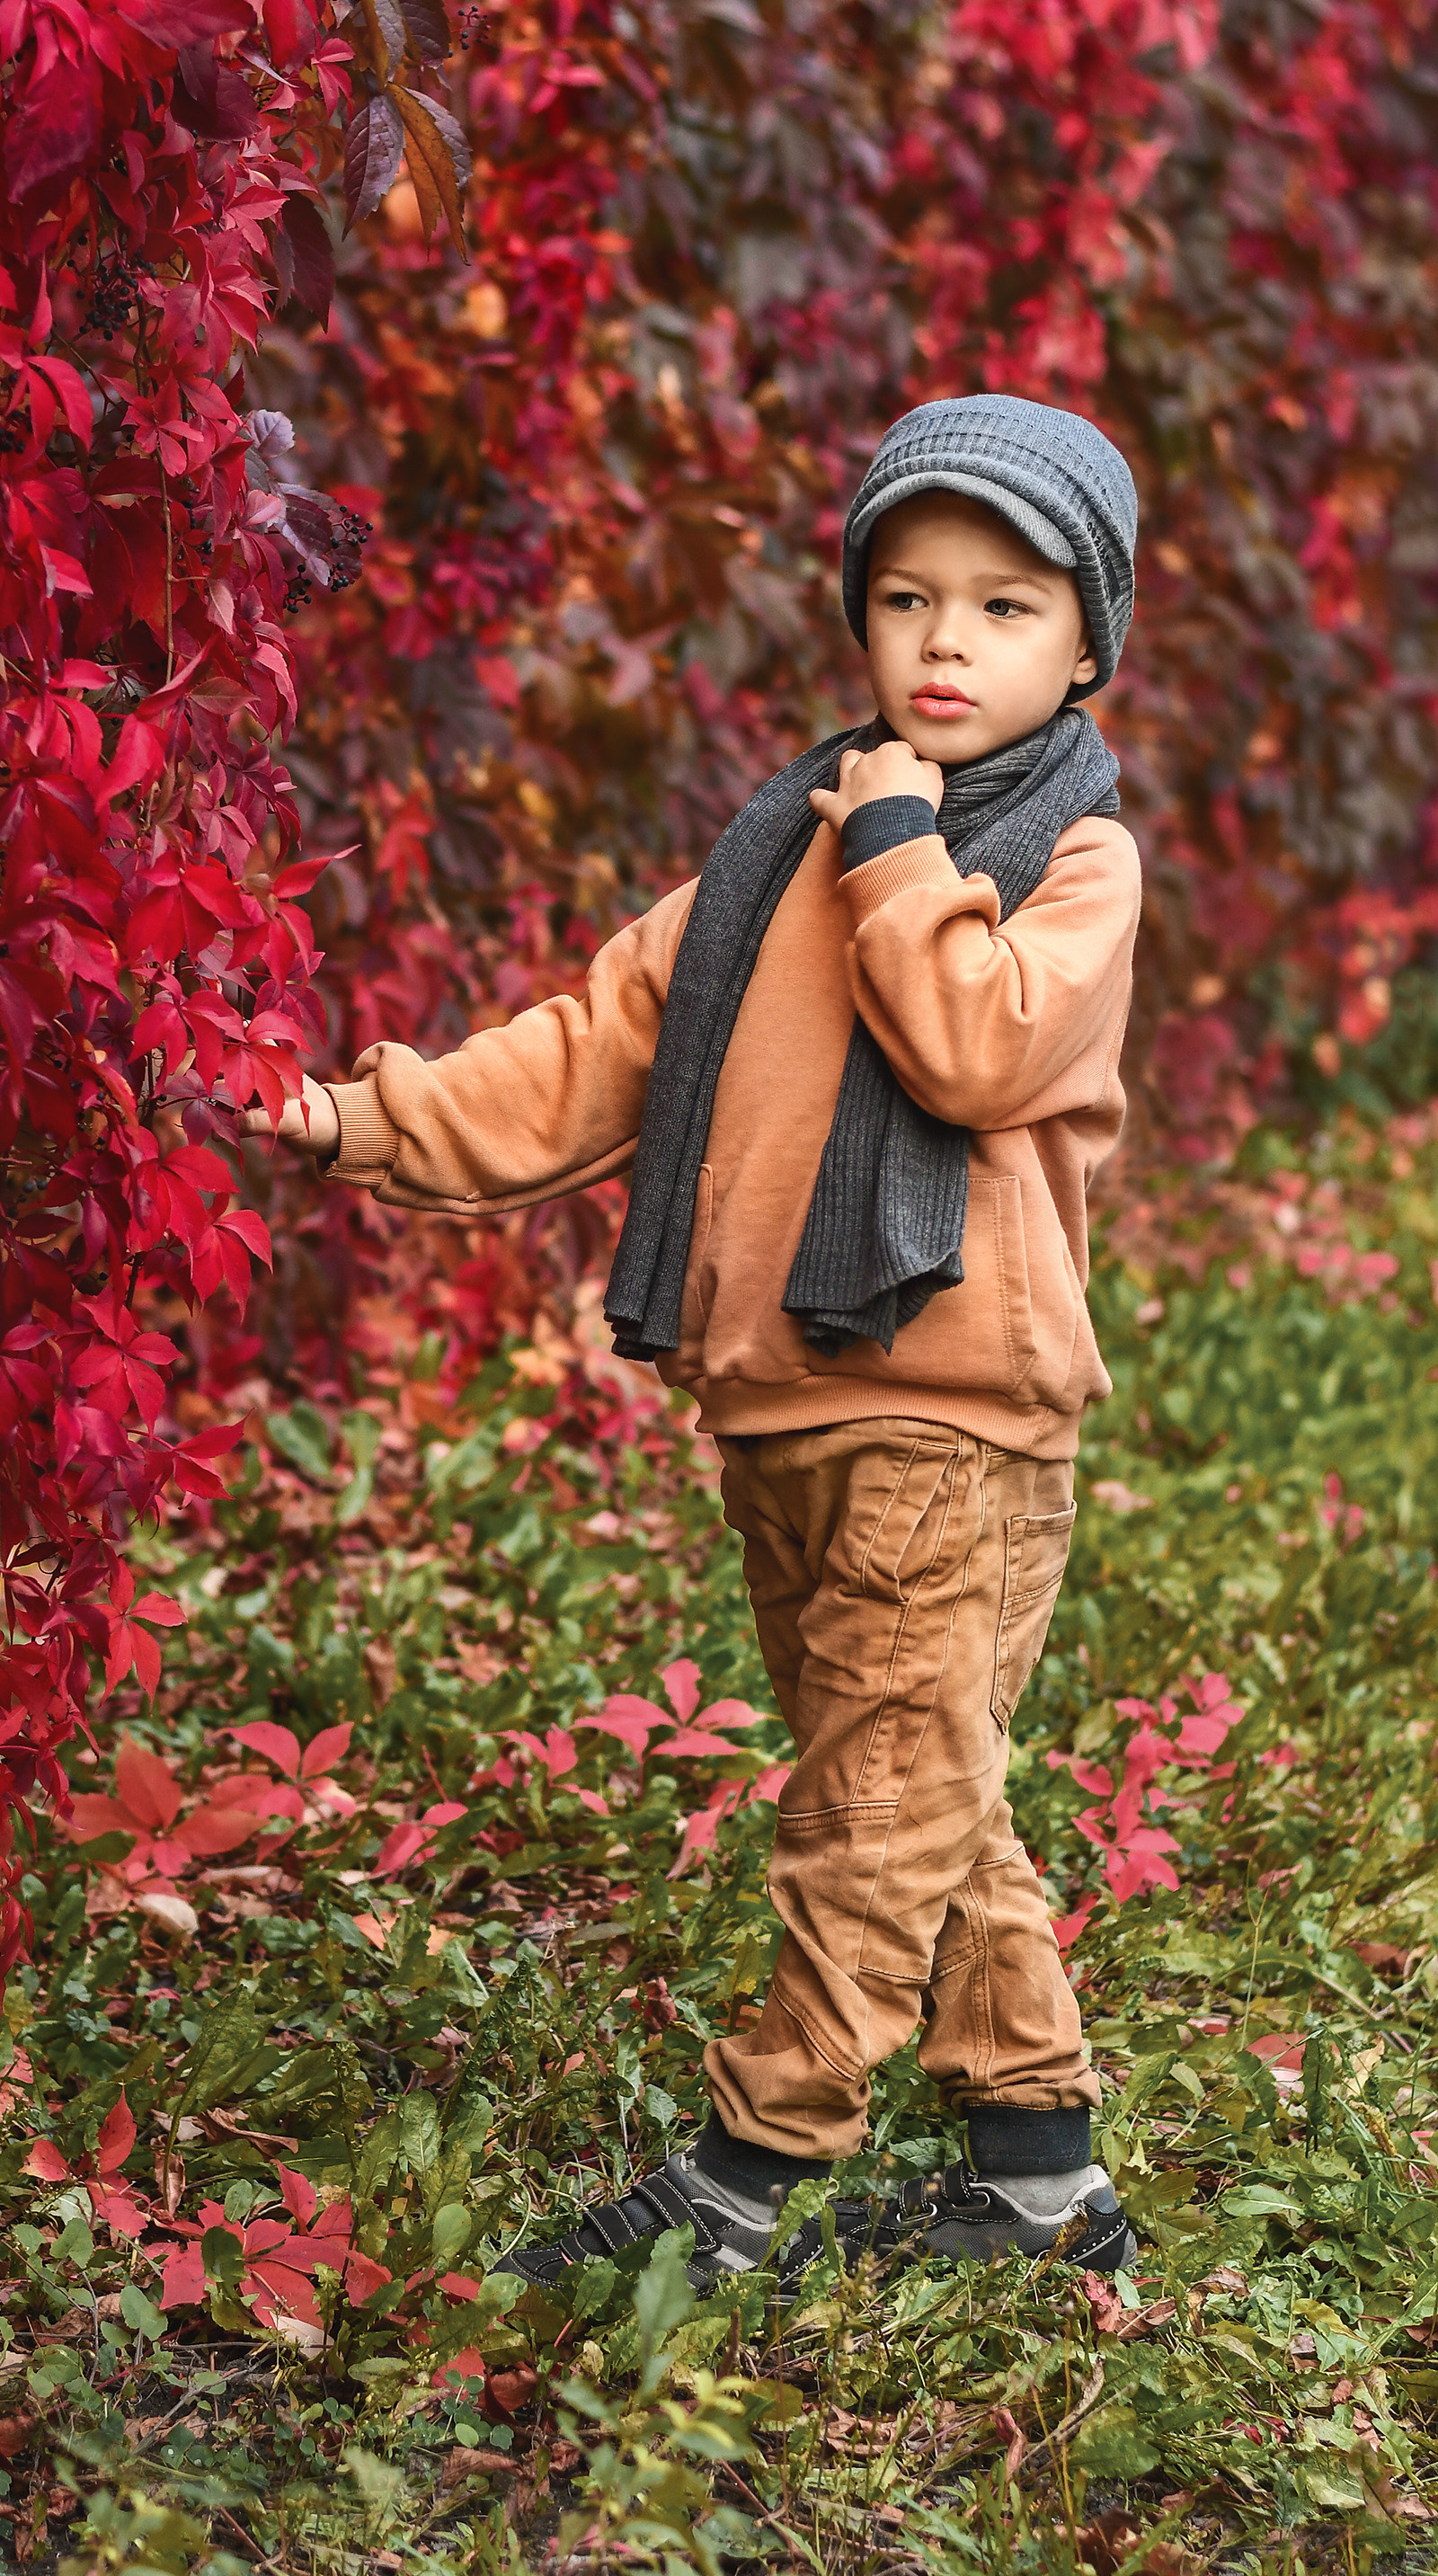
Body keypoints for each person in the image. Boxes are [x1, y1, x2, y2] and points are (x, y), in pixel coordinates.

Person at [244, 394, 1143, 2293]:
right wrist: (360, 1119)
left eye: (1002, 608)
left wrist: (897, 845)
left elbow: (975, 1041)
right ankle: (1039, 2174)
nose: (945, 646)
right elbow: (590, 1052)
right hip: (786, 1409)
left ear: (1084, 645)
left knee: (874, 1809)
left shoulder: (1073, 868)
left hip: (951, 1414)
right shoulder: (768, 865)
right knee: (927, 1780)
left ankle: (751, 2173)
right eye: (907, 600)